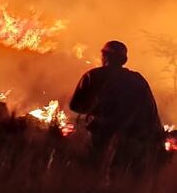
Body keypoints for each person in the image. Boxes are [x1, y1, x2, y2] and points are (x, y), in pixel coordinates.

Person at [69, 40, 165, 170]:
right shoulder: (137, 80)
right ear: (124, 60)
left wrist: (94, 112)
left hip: (101, 135)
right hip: (132, 139)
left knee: (93, 169)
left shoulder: (93, 76)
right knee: (123, 175)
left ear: (105, 56)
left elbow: (75, 105)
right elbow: (151, 111)